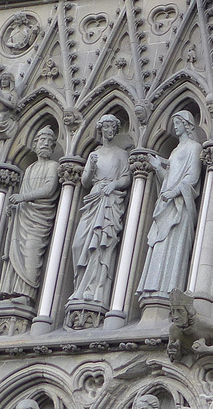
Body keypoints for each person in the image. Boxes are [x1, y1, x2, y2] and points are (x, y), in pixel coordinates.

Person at [136, 110, 205, 294]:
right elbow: (168, 179)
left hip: (180, 204)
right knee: (159, 245)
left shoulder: (194, 147)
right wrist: (158, 167)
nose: (175, 125)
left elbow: (192, 177)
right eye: (174, 121)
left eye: (178, 121)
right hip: (166, 202)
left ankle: (167, 291)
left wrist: (174, 192)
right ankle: (154, 289)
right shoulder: (175, 151)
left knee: (174, 246)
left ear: (187, 124)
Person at [68, 113, 131, 312]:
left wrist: (114, 185)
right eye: (107, 127)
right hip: (94, 198)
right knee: (79, 244)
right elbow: (85, 182)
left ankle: (95, 291)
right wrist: (91, 167)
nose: (110, 130)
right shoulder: (94, 154)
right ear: (101, 129)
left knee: (102, 244)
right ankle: (79, 287)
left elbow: (127, 178)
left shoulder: (122, 154)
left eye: (113, 127)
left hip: (110, 200)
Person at [0, 124, 59, 300]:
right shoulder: (30, 168)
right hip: (23, 216)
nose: (45, 144)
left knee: (32, 250)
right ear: (35, 144)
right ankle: (13, 291)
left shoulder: (53, 166)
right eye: (42, 140)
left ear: (54, 146)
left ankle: (27, 294)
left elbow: (48, 189)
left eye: (49, 141)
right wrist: (15, 207)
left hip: (38, 218)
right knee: (15, 251)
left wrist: (23, 197)